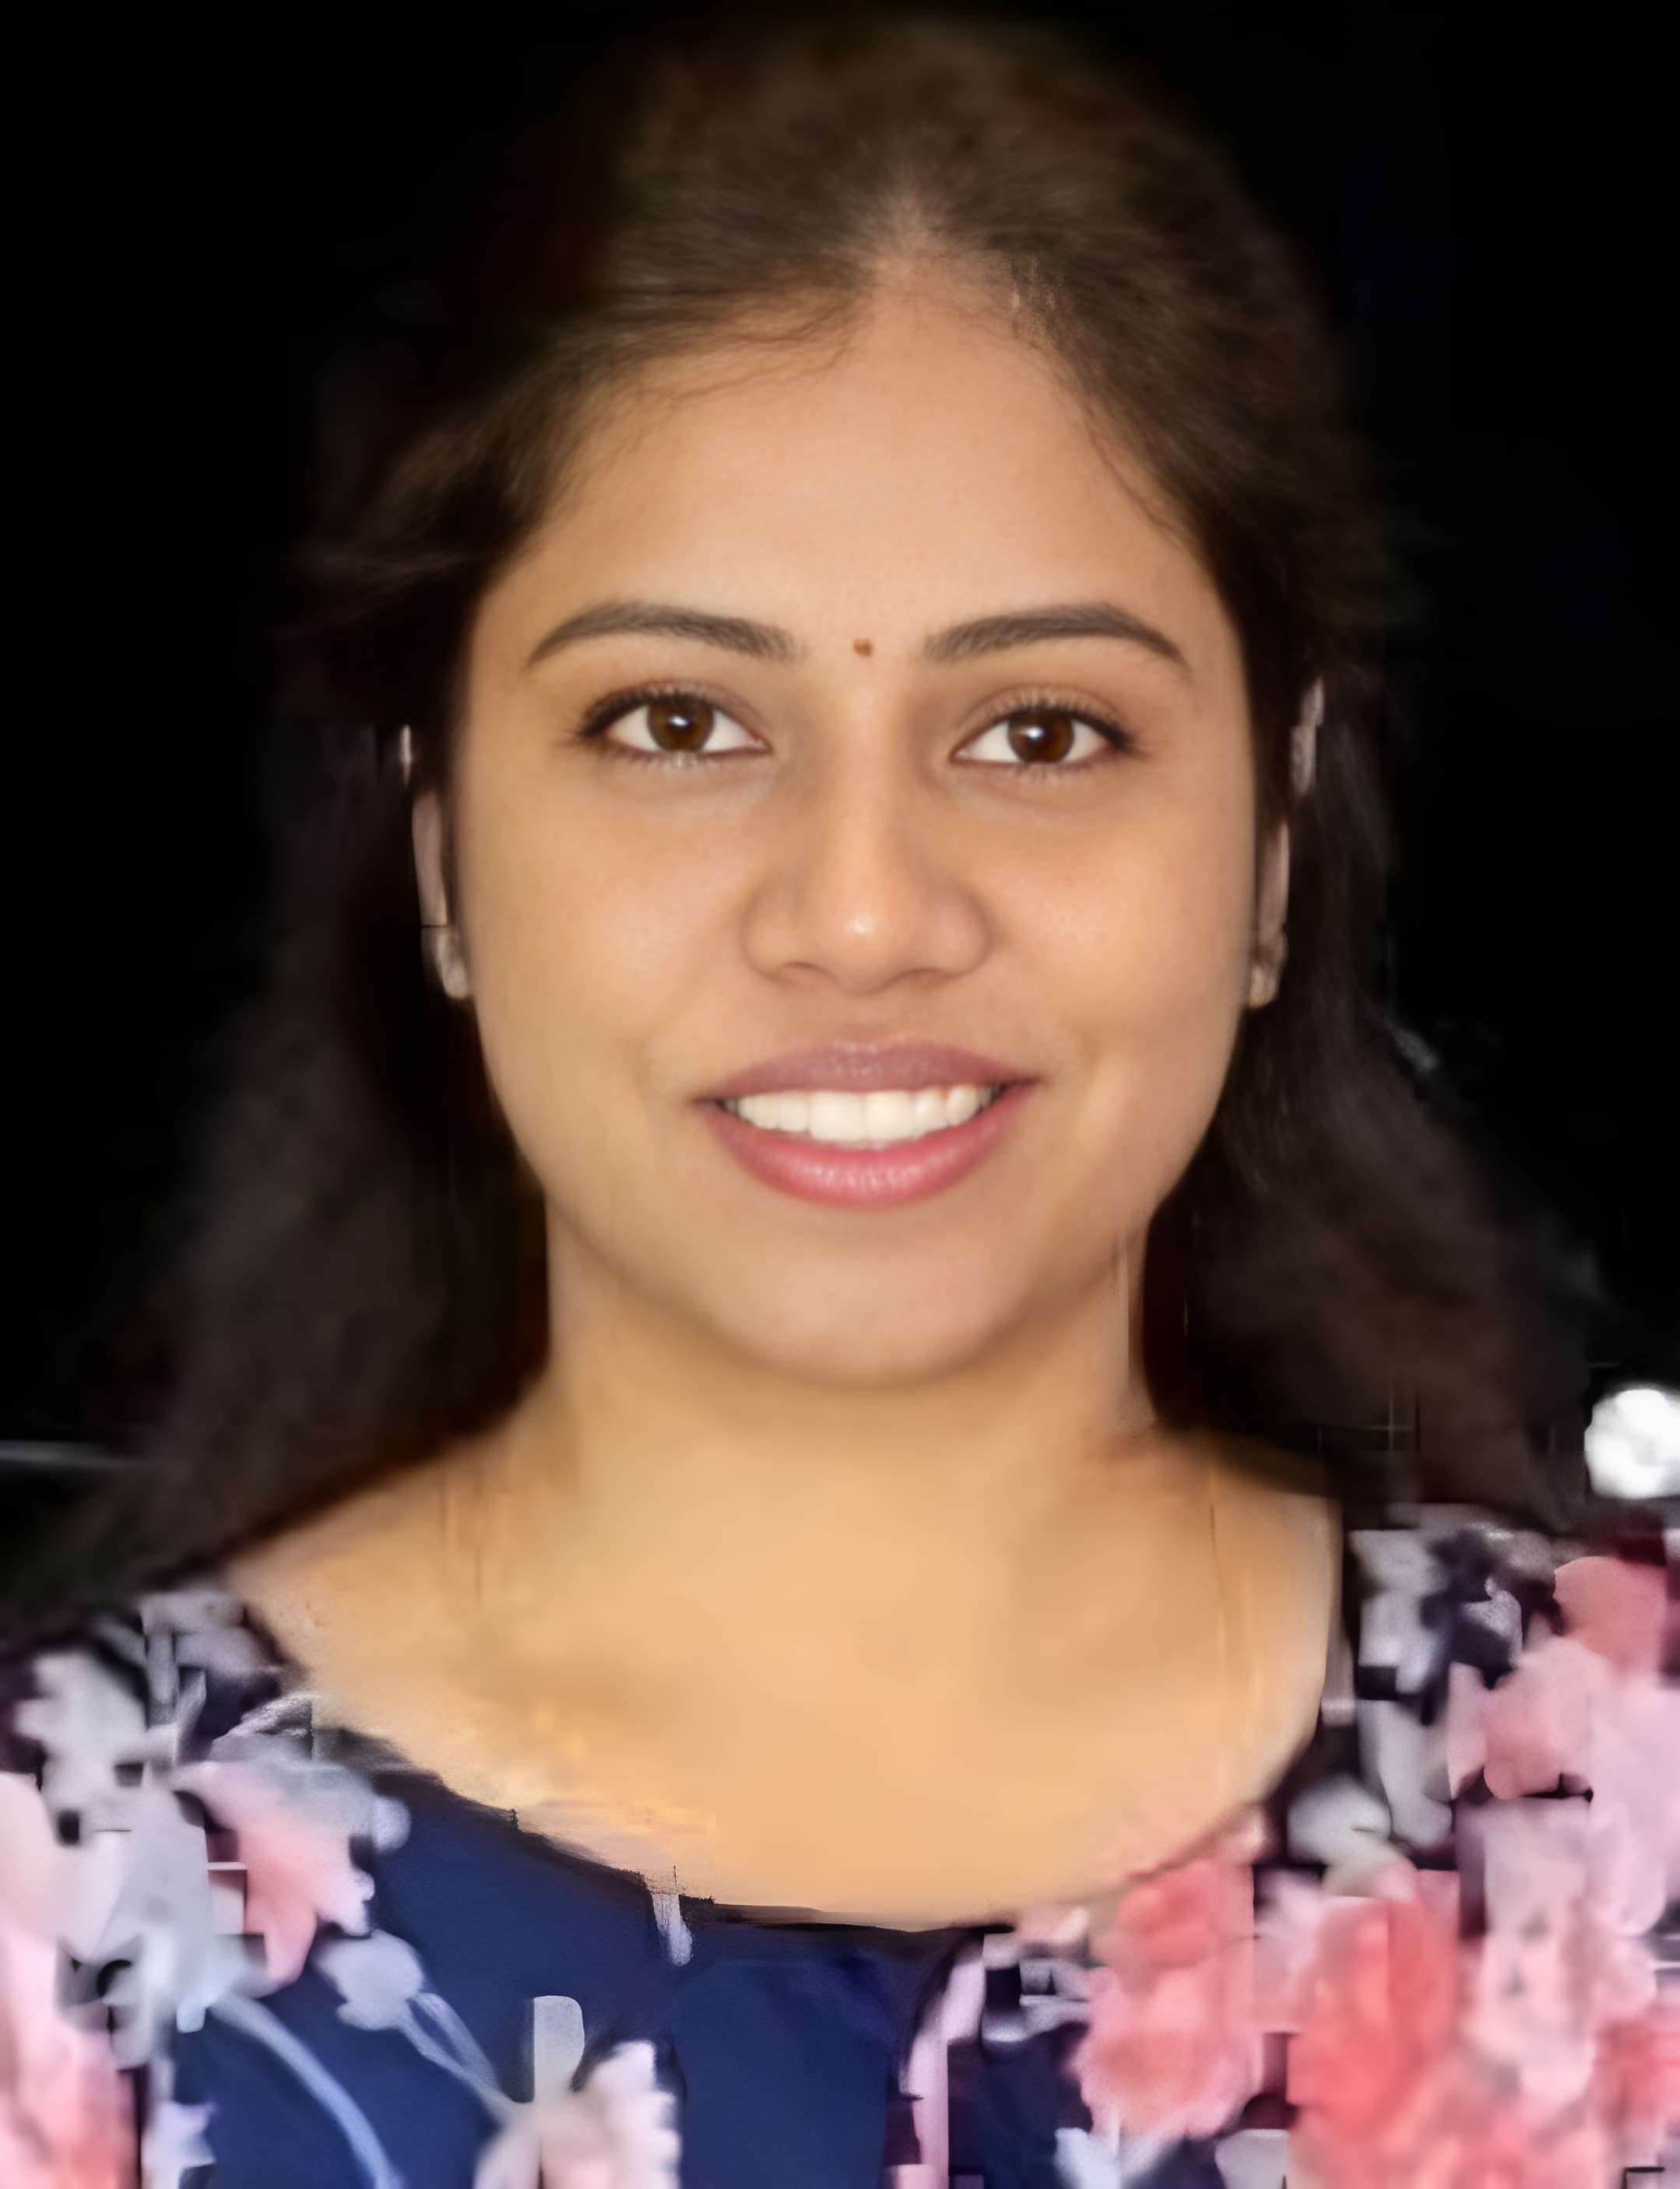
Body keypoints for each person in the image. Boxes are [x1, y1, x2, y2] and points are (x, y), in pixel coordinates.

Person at [2, 9, 1674, 2184]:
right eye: (678, 726)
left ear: (1272, 848)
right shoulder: (68, 1927)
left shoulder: (1624, 1829)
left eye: (1043, 733)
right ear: (438, 850)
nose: (865, 914)